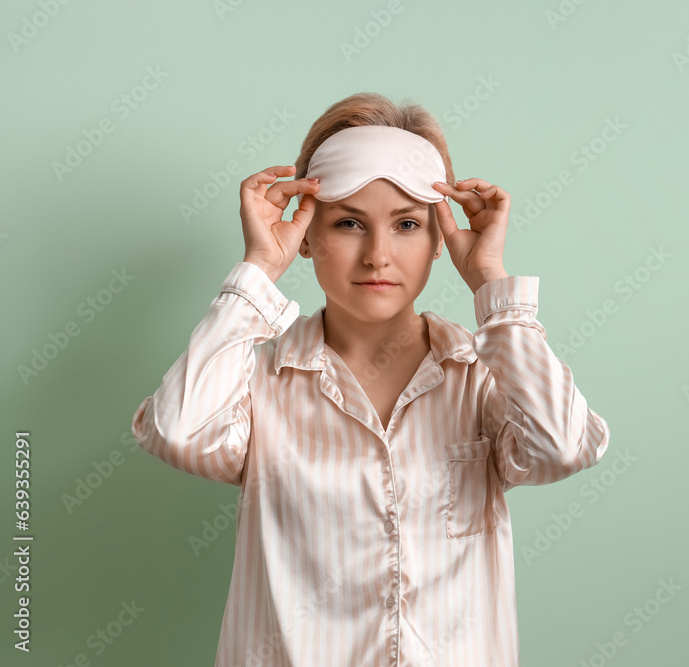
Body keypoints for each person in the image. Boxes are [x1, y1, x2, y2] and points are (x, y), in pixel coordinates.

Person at [130, 92, 611, 666]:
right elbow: (178, 434)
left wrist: (490, 282)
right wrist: (257, 271)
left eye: (407, 224)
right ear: (306, 235)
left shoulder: (484, 377)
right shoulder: (255, 379)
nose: (378, 255)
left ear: (439, 239)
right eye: (350, 223)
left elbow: (561, 447)